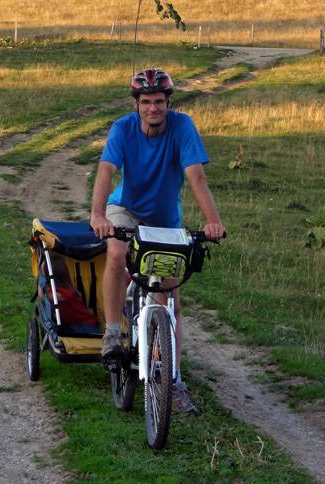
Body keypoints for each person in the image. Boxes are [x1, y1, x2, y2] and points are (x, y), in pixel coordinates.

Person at [89, 68, 226, 415]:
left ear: (169, 103)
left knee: (170, 306)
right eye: (146, 102)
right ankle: (110, 334)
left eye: (160, 102)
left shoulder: (183, 127)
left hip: (165, 220)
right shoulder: (123, 128)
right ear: (136, 105)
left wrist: (213, 221)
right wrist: (98, 216)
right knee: (117, 253)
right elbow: (106, 170)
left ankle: (173, 382)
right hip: (126, 208)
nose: (153, 108)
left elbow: (196, 175)